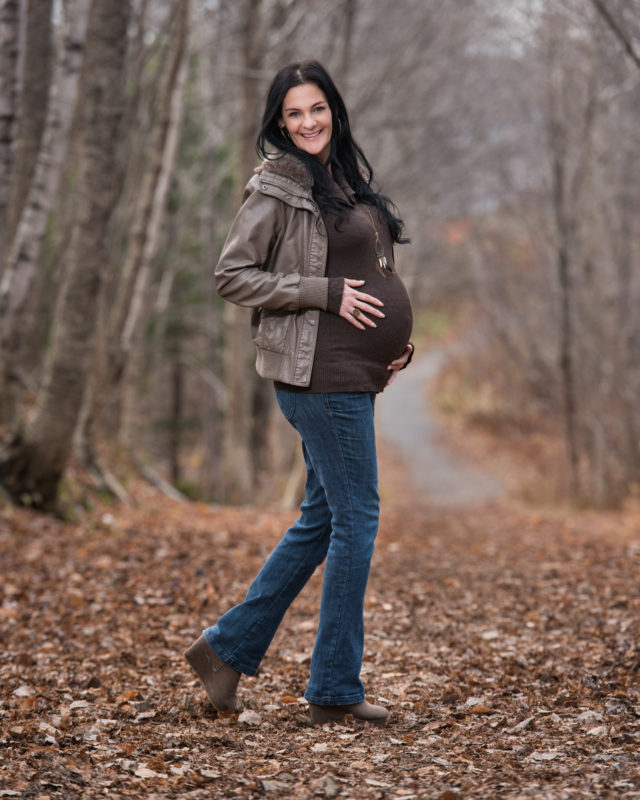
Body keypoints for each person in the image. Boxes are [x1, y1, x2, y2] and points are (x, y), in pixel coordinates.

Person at [185, 60, 414, 727]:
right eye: (294, 114)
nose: (308, 122)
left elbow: (372, 270)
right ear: (279, 124)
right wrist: (323, 293)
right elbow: (234, 275)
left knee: (322, 520)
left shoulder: (343, 179)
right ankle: (335, 687)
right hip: (319, 378)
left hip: (354, 373)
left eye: (317, 109)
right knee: (357, 520)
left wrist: (397, 344)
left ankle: (225, 652)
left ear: (334, 111)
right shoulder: (280, 187)